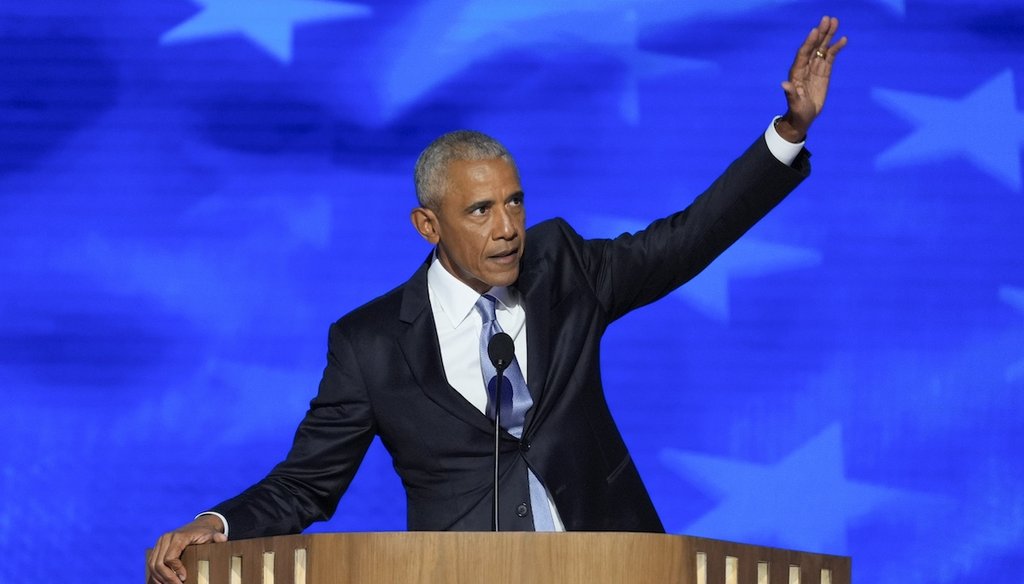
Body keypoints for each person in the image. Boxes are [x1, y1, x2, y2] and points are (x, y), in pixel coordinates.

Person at [148, 16, 847, 584]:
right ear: (429, 225)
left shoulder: (564, 267)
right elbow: (306, 484)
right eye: (480, 210)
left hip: (617, 569)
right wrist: (216, 526)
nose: (509, 227)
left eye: (515, 202)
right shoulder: (371, 344)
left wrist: (787, 133)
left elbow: (686, 240)